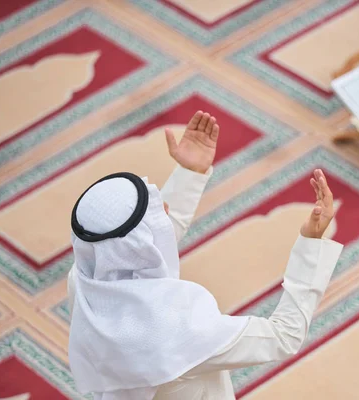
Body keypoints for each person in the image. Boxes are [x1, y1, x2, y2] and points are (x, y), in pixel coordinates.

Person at [66, 111, 343, 400]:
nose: (166, 210)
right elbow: (283, 337)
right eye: (157, 212)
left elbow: (144, 248)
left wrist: (190, 173)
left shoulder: (85, 279)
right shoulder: (183, 330)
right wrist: (312, 243)